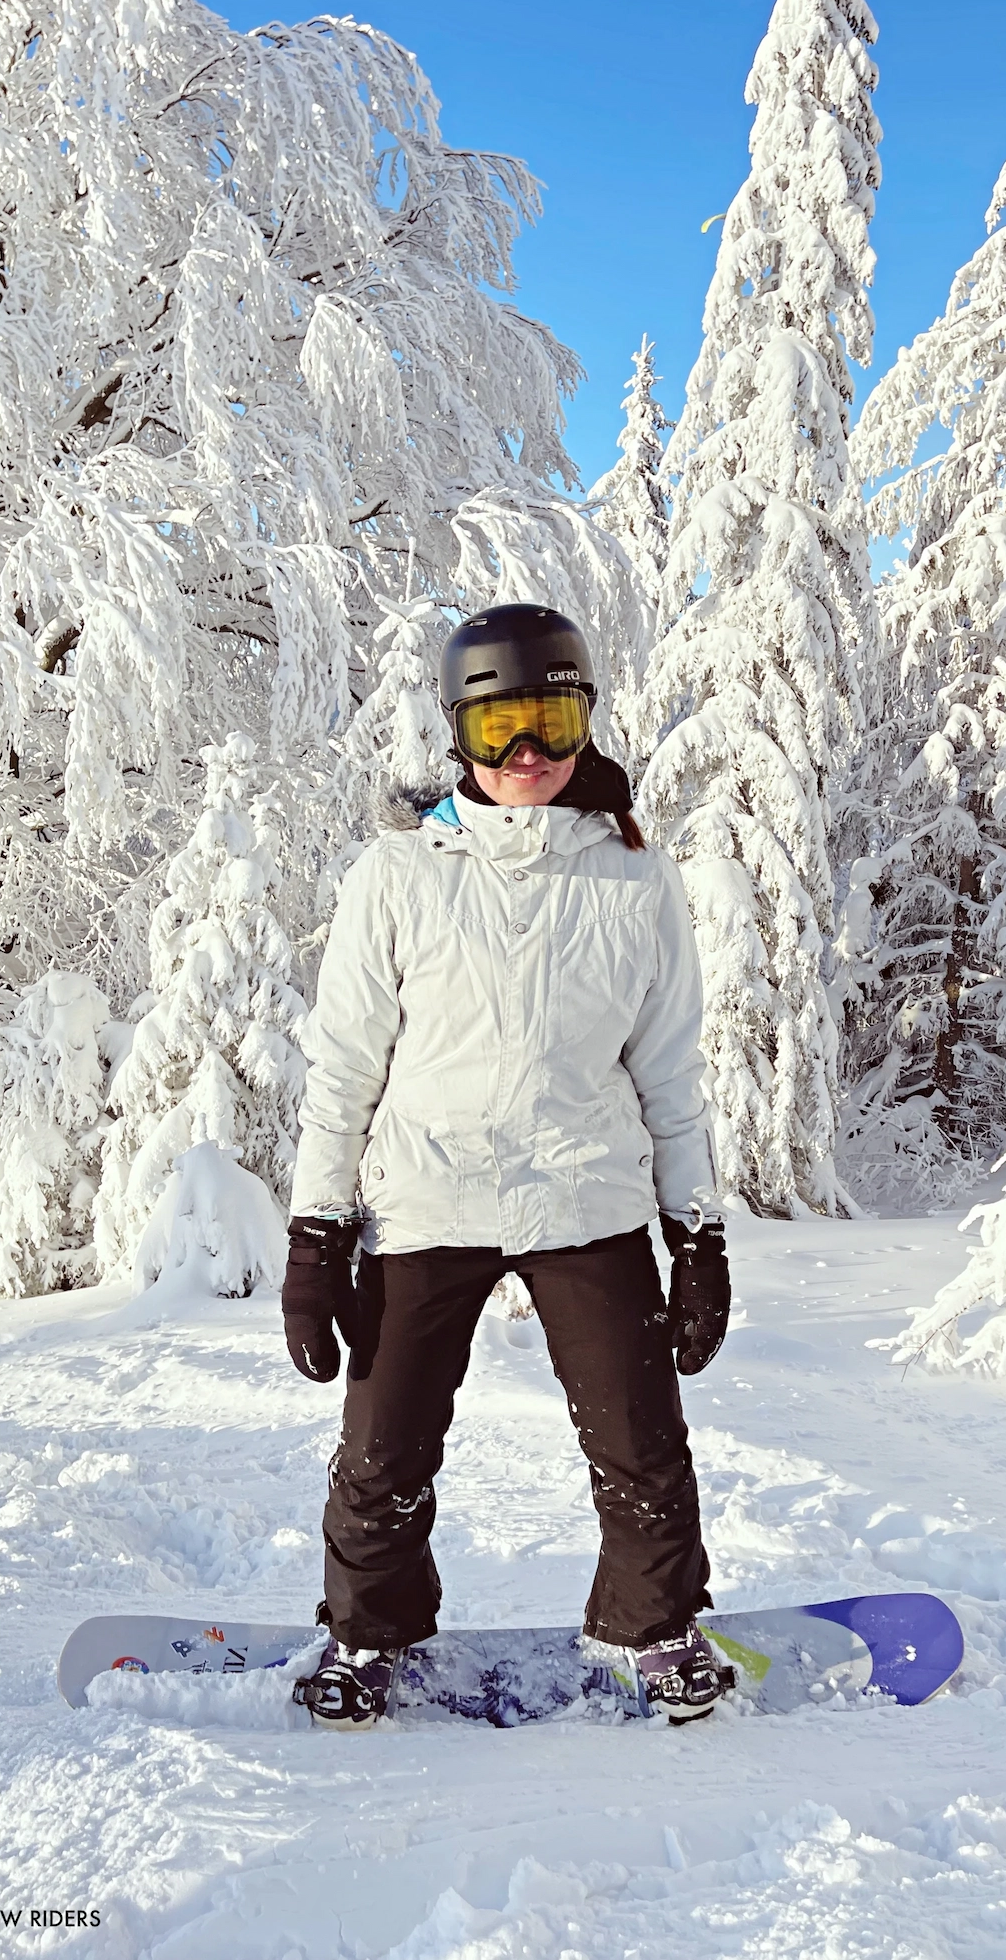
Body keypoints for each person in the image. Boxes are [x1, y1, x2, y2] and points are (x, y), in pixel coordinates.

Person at [281, 603, 733, 1728]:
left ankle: (655, 1623)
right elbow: (343, 1067)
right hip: (426, 1196)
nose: (527, 754)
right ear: (458, 735)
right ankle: (366, 1634)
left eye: (550, 720)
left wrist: (697, 1232)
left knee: (639, 1439)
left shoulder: (635, 879)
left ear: (584, 720)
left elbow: (669, 1071)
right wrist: (314, 1231)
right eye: (498, 730)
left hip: (586, 1195)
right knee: (382, 1448)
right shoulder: (397, 875)